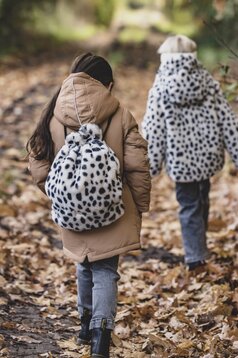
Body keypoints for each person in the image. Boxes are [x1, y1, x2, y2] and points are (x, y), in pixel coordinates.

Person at [27, 53, 151, 358]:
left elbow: (39, 162)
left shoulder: (54, 114)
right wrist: (139, 204)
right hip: (114, 208)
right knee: (106, 270)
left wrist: (60, 194)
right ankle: (100, 338)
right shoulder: (120, 113)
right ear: (107, 84)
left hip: (72, 210)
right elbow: (137, 166)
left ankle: (84, 326)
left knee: (83, 263)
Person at [142, 35, 238, 271]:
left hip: (181, 161)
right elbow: (228, 120)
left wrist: (151, 165)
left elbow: (153, 129)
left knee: (189, 204)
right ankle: (198, 246)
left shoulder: (161, 88)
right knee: (201, 199)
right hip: (208, 156)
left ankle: (195, 256)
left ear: (166, 58)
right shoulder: (208, 83)